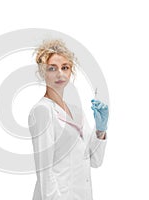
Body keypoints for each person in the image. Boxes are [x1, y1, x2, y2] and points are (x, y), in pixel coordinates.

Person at [28, 39, 109, 200]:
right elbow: (44, 171)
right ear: (43, 72)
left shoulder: (76, 111)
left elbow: (95, 161)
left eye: (65, 67)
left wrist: (100, 129)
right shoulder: (42, 111)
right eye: (52, 68)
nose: (60, 74)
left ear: (71, 71)